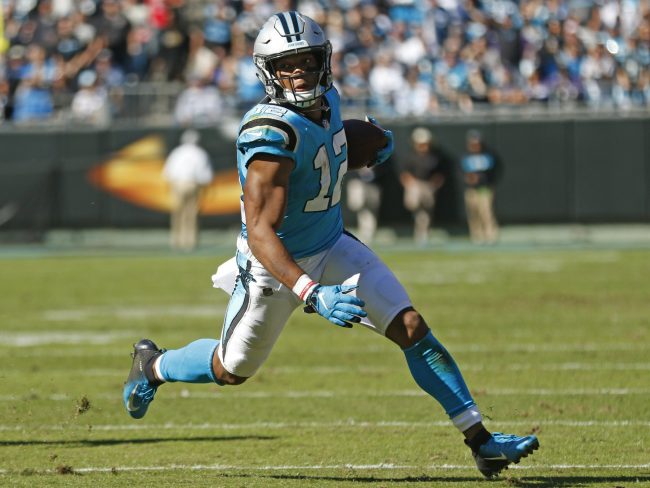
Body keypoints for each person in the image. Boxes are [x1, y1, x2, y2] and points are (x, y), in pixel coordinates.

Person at [123, 12, 538, 479]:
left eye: (306, 60)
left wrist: (370, 143)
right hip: (273, 265)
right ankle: (154, 365)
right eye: (286, 64)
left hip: (331, 242)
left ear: (324, 60)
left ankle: (482, 442)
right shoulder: (270, 133)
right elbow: (261, 231)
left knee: (411, 326)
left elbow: (332, 146)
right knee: (231, 368)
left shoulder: (329, 101)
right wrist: (310, 292)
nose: (299, 72)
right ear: (267, 72)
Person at [162, 129, 213, 251]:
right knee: (191, 214)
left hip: (178, 184)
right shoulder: (200, 153)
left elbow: (168, 172)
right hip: (193, 184)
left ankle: (177, 241)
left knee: (178, 213)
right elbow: (205, 175)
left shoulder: (177, 152)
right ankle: (190, 242)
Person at [399, 127, 447, 244]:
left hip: (428, 185)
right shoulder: (410, 156)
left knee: (424, 213)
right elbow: (404, 173)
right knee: (415, 205)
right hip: (415, 185)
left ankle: (422, 234)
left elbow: (440, 174)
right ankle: (420, 232)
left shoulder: (434, 157)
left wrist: (434, 185)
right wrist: (410, 184)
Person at [461, 130, 500, 244]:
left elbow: (495, 171)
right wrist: (468, 178)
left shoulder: (488, 155)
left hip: (485, 188)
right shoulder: (465, 157)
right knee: (474, 213)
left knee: (486, 212)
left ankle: (490, 235)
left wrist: (482, 179)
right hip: (471, 189)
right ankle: (476, 235)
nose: (475, 146)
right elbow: (460, 172)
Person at [345, 165, 382, 244]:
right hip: (357, 183)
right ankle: (364, 232)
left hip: (372, 184)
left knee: (371, 209)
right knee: (359, 208)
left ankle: (369, 233)